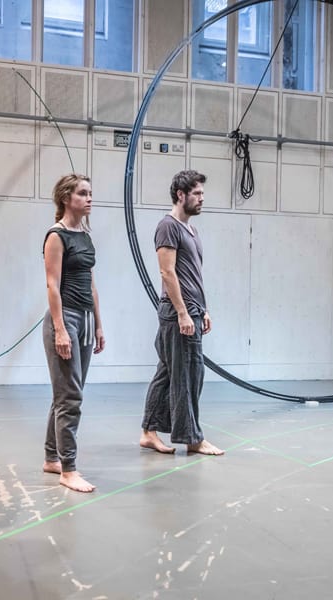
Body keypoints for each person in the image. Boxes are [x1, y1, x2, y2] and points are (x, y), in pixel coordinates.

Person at [139, 169, 224, 456]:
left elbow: (194, 274)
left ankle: (148, 432)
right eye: (197, 193)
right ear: (180, 195)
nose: (202, 199)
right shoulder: (168, 227)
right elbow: (167, 272)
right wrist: (183, 313)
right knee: (189, 374)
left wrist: (204, 309)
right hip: (179, 315)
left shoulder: (191, 229)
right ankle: (192, 438)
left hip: (193, 310)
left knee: (167, 372)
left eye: (202, 193)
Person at [42, 174, 105, 492]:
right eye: (83, 193)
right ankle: (68, 469)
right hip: (64, 317)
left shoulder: (86, 237)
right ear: (67, 198)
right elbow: (52, 284)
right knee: (71, 396)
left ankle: (52, 457)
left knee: (65, 392)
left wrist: (99, 323)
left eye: (91, 193)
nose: (89, 198)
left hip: (84, 319)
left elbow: (91, 284)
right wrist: (60, 330)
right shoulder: (57, 235)